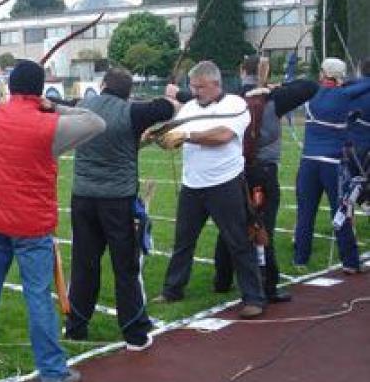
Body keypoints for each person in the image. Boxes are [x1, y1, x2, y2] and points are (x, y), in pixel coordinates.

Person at [0, 59, 106, 382]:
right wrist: (52, 107)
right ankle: (53, 372)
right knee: (38, 297)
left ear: (10, 87)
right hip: (32, 228)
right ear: (40, 90)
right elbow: (96, 122)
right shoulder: (52, 126)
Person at [64, 67, 176, 351]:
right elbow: (165, 108)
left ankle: (76, 327)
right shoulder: (132, 112)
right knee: (125, 266)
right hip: (117, 201)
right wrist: (172, 94)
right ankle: (135, 333)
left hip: (83, 198)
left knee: (84, 264)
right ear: (127, 92)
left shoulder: (82, 107)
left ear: (102, 86)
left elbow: (56, 108)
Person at [150, 60, 266, 318]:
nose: (195, 92)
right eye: (192, 86)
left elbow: (223, 135)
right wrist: (159, 136)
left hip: (225, 184)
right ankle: (172, 290)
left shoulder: (235, 105)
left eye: (200, 87)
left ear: (215, 83)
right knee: (183, 241)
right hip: (192, 185)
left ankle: (254, 298)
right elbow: (174, 135)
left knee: (238, 241)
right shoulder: (189, 107)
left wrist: (188, 136)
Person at [205, 56, 317, 302]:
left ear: (242, 71)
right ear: (263, 72)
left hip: (233, 171)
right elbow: (310, 86)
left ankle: (222, 280)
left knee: (230, 225)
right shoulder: (272, 98)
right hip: (262, 172)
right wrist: (277, 88)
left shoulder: (229, 97)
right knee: (261, 227)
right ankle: (267, 286)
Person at [293, 58, 370, 274]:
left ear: (322, 74)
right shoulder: (344, 94)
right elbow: (366, 83)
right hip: (333, 164)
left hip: (308, 161)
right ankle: (350, 263)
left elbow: (291, 81)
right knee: (341, 211)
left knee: (305, 213)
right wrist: (347, 82)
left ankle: (300, 258)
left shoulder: (311, 93)